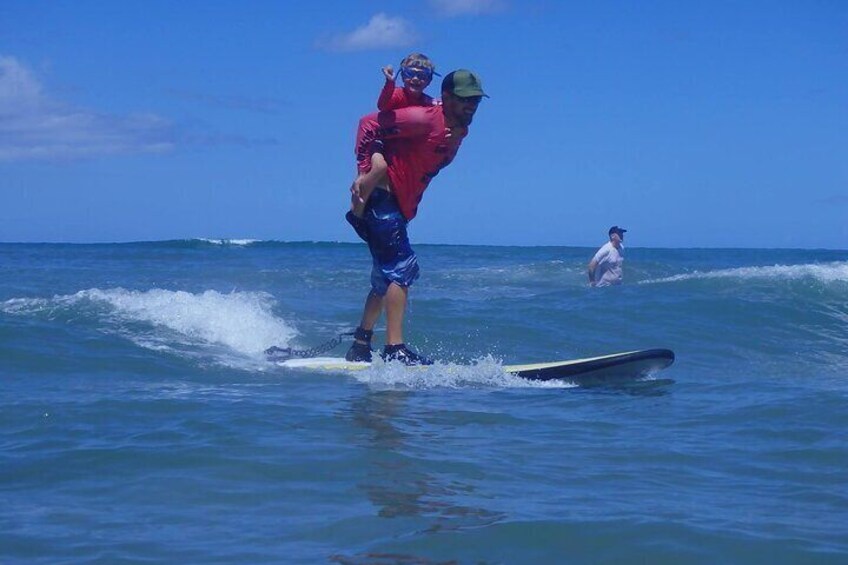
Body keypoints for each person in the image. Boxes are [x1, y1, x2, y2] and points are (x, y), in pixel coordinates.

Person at [344, 69, 488, 365]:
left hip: (399, 206)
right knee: (403, 269)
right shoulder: (422, 118)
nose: (470, 106)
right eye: (464, 100)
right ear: (446, 97)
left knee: (384, 279)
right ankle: (395, 349)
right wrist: (365, 172)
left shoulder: (457, 128)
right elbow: (368, 124)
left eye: (475, 100)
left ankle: (361, 344)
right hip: (382, 199)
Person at [350, 53, 439, 220]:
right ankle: (356, 207)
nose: (415, 79)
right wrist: (389, 83)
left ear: (429, 80)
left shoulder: (429, 103)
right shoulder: (397, 94)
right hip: (378, 141)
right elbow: (383, 105)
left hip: (397, 150)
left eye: (422, 75)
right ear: (402, 75)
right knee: (379, 168)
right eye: (409, 74)